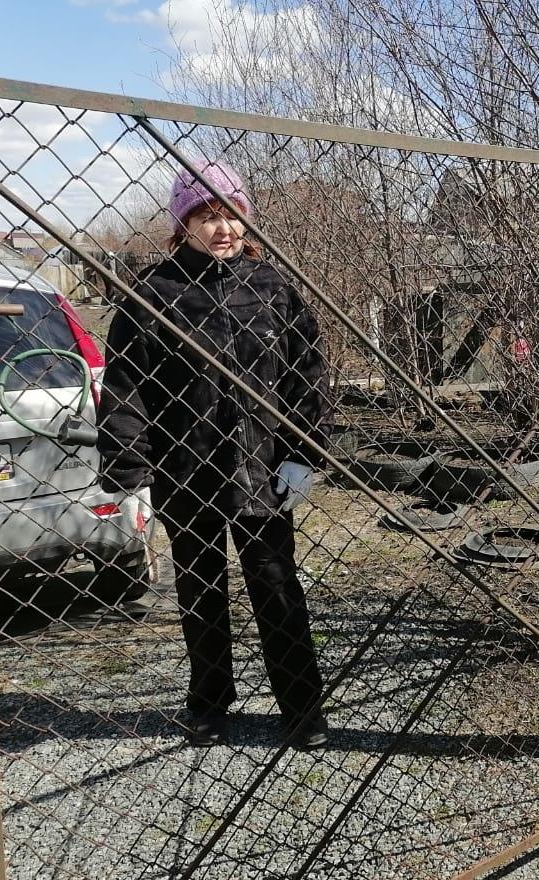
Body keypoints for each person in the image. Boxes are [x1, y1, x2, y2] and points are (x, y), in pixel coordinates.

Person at [97, 160, 333, 749]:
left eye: (230, 212)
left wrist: (304, 454)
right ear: (183, 224)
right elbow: (127, 387)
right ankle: (209, 701)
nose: (222, 227)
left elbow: (308, 378)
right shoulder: (152, 295)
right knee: (199, 591)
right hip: (186, 470)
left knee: (277, 587)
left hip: (262, 471)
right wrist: (131, 476)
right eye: (206, 215)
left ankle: (303, 709)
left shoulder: (273, 287)